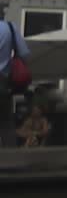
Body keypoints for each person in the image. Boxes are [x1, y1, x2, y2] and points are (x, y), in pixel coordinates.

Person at [0, 19, 30, 148]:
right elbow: (24, 53)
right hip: (3, 82)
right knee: (6, 124)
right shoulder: (10, 27)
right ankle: (11, 162)